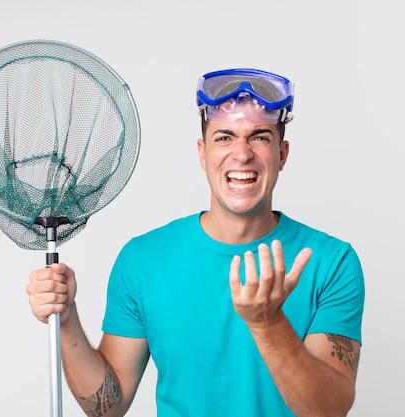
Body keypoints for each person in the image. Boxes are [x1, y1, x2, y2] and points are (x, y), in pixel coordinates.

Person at [27, 68, 365, 417]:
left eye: (260, 137)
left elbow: (329, 410)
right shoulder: (144, 260)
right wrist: (66, 320)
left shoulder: (332, 262)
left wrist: (268, 324)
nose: (242, 153)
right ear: (202, 153)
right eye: (225, 137)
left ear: (282, 154)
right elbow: (106, 408)